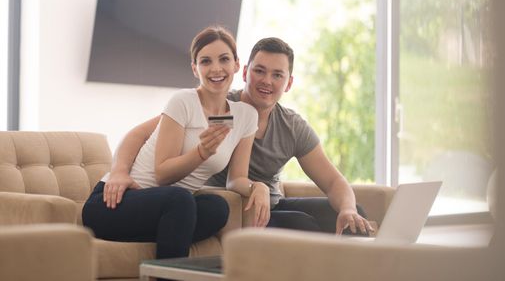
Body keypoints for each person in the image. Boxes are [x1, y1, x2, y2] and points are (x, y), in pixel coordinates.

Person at [103, 37, 373, 235]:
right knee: (305, 226)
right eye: (259, 71)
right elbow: (137, 135)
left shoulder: (292, 126)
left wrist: (347, 208)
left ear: (288, 83)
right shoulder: (216, 104)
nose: (266, 81)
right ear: (244, 72)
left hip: (270, 203)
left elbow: (333, 180)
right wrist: (119, 171)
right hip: (229, 206)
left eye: (277, 75)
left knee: (354, 215)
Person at [82, 26, 266, 260]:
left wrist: (257, 187)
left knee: (217, 208)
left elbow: (237, 177)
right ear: (195, 68)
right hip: (116, 203)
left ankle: (168, 234)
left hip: (171, 209)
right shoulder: (183, 101)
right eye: (206, 61)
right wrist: (201, 152)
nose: (216, 68)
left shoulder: (245, 116)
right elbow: (162, 175)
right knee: (180, 199)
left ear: (236, 65)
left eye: (224, 59)